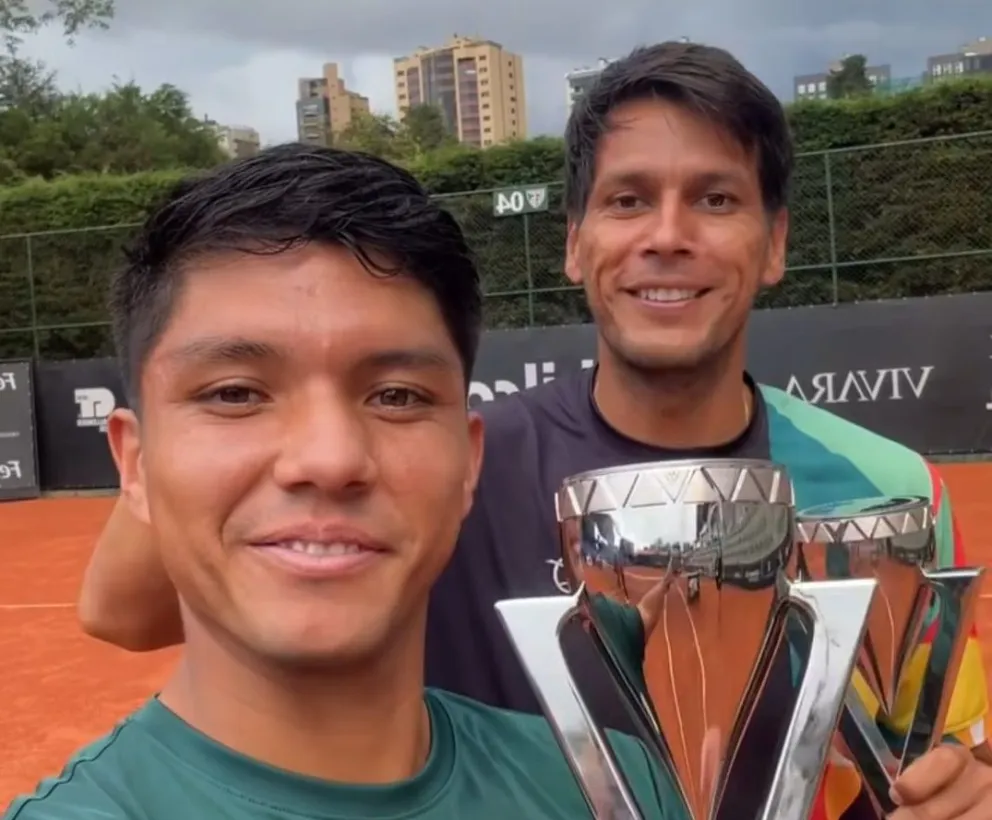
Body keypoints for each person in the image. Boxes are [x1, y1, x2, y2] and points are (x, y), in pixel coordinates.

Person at [75, 42, 992, 820]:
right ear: (574, 241)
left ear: (776, 240)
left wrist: (964, 782)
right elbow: (121, 612)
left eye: (716, 200)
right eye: (628, 200)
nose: (667, 236)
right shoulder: (437, 461)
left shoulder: (883, 483)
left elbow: (932, 741)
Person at [4, 145, 682, 820]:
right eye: (236, 394)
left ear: (470, 461)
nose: (328, 460)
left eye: (395, 396)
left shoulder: (619, 789)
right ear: (136, 465)